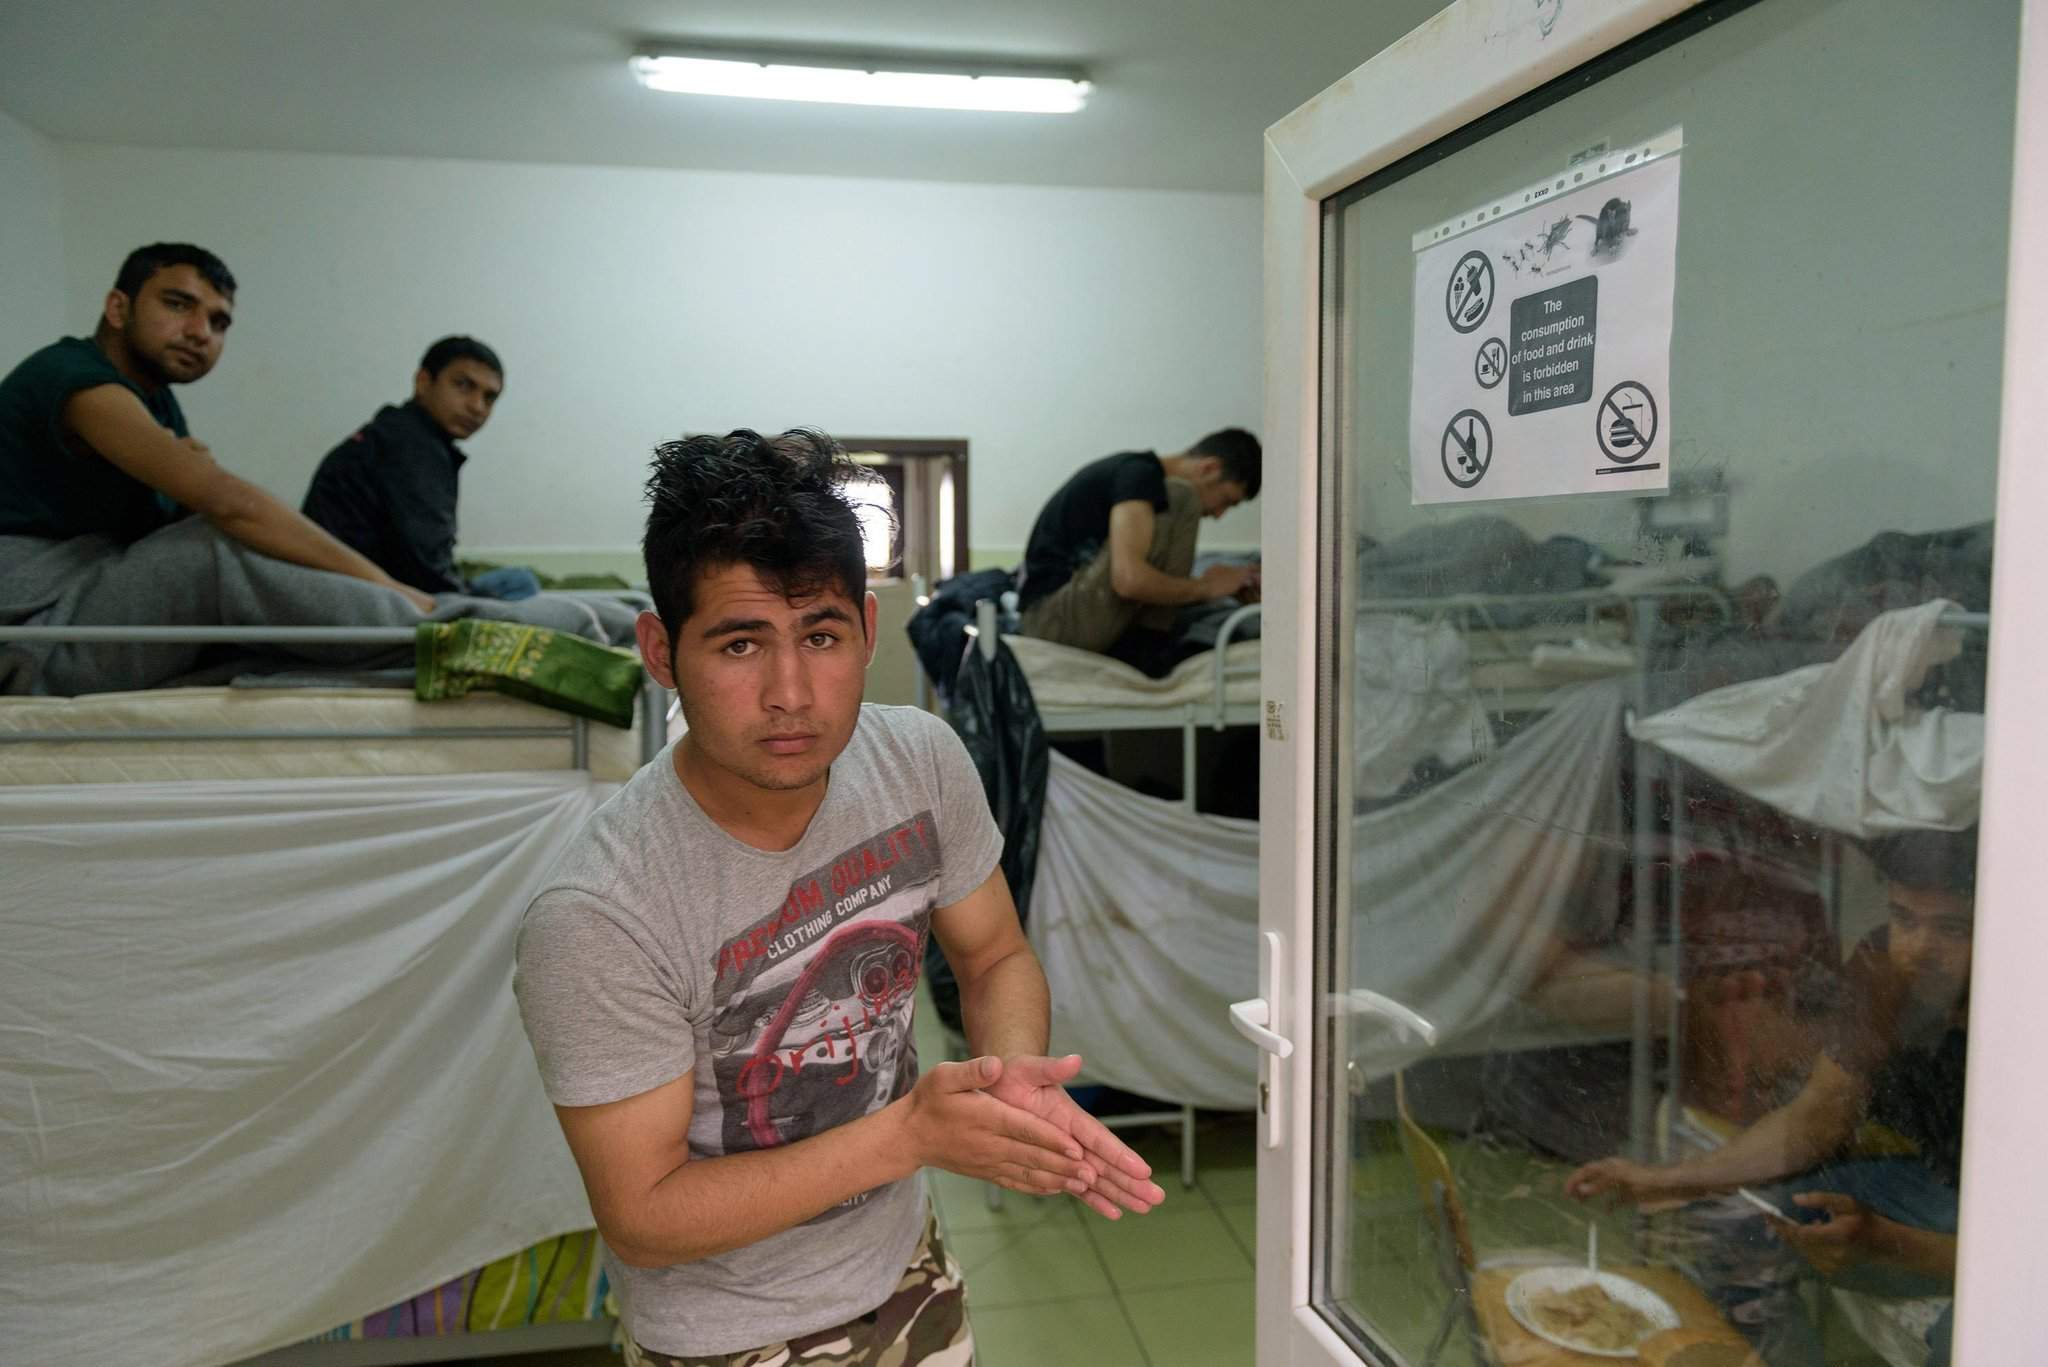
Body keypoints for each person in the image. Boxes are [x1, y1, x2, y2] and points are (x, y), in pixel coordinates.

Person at [513, 428, 1164, 1366]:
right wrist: (913, 1134)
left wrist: (1010, 1075)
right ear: (661, 650)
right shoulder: (598, 912)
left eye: (820, 636)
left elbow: (993, 955)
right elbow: (644, 1215)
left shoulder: (920, 761)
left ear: (865, 628)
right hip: (725, 1336)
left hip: (908, 1267)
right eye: (741, 643)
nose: (790, 693)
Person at [1566, 828, 1977, 1367]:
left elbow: (2026, 1251)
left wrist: (1887, 1242)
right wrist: (1666, 1180)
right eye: (1905, 919)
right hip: (1939, 1185)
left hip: (2020, 1222)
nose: (1918, 949)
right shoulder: (1886, 968)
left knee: (1972, 1341)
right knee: (1735, 1233)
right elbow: (1817, 1117)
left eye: (1953, 928)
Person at [302, 336, 538, 600]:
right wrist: (464, 598)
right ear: (423, 382)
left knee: (516, 580)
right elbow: (427, 571)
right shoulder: (411, 445)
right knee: (522, 584)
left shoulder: (395, 432)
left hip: (350, 586)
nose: (477, 406)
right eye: (463, 385)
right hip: (364, 597)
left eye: (489, 397)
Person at [1016, 429, 1262, 655]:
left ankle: (1150, 646)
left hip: (1063, 615)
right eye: (1227, 501)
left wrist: (1222, 588)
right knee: (1182, 496)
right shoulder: (1139, 475)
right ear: (1209, 468)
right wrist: (1206, 587)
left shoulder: (1138, 475)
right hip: (1051, 622)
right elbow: (1128, 581)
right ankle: (1149, 650)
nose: (1219, 515)